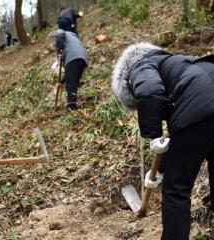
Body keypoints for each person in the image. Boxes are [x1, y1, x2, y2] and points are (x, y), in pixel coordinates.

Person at [111, 42, 214, 240]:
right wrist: (158, 170)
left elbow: (149, 92)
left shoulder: (139, 66)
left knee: (176, 189)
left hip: (201, 106)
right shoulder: (174, 63)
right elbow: (187, 141)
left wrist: (153, 135)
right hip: (205, 102)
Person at [52, 29, 87, 110]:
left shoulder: (61, 33)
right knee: (73, 83)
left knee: (70, 86)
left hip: (72, 58)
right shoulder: (72, 35)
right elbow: (69, 73)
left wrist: (58, 48)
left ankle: (71, 107)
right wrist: (60, 82)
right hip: (82, 57)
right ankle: (73, 105)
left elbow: (60, 35)